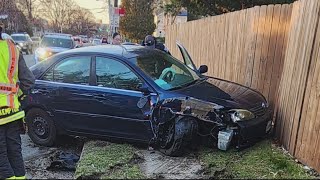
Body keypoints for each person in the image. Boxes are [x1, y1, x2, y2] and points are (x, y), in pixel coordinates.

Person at [0, 22, 35, 179]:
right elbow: (28, 80)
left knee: (1, 158)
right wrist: (17, 96)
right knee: (14, 152)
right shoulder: (12, 48)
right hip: (13, 111)